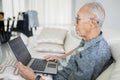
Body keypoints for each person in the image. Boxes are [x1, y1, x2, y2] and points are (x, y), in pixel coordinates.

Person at [17, 2, 112, 80]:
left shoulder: (93, 55)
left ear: (93, 23)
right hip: (56, 69)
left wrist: (34, 78)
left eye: (78, 19)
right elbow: (78, 50)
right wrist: (60, 57)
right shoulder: (90, 40)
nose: (74, 24)